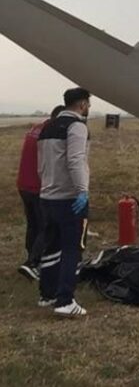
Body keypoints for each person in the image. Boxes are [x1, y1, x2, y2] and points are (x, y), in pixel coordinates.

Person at [37, 88, 91, 317]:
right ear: (81, 104)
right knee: (71, 250)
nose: (89, 107)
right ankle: (65, 300)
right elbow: (76, 160)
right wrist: (82, 191)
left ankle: (47, 294)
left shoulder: (47, 127)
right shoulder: (76, 126)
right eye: (88, 103)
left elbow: (41, 164)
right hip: (68, 198)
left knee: (51, 247)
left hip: (47, 196)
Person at [17, 105, 65, 281]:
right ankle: (32, 263)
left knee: (33, 224)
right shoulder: (51, 133)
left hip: (23, 184)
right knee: (47, 226)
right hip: (39, 186)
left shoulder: (36, 128)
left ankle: (31, 258)